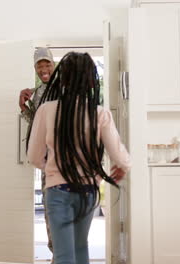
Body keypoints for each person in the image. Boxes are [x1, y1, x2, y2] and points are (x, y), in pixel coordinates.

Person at [27, 52, 131, 264]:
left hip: (58, 191)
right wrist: (123, 167)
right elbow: (119, 156)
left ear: (62, 78)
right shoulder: (100, 113)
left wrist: (53, 169)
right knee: (81, 249)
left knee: (64, 254)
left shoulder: (47, 110)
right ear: (92, 80)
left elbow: (34, 156)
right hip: (88, 192)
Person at [19, 47, 55, 259]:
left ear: (53, 65)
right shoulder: (38, 92)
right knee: (50, 209)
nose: (43, 69)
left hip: (66, 158)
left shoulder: (66, 87)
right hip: (46, 160)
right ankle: (56, 254)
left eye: (46, 64)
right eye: (39, 66)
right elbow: (35, 124)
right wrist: (24, 107)